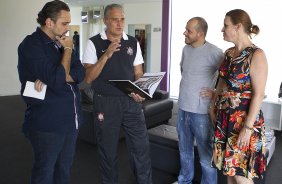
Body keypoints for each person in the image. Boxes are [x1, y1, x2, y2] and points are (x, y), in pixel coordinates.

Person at [82, 4, 152, 184]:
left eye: (122, 19)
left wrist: (140, 90)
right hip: (105, 103)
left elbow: (138, 73)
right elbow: (89, 78)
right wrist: (105, 56)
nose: (119, 23)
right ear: (105, 20)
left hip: (131, 102)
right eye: (114, 19)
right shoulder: (93, 43)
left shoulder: (133, 42)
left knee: (141, 147)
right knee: (108, 149)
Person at [17, 0, 85, 183]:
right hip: (47, 123)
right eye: (64, 23)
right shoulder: (31, 45)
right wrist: (68, 51)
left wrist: (59, 75)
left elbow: (80, 73)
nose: (68, 27)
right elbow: (56, 79)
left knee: (63, 170)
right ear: (49, 22)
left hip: (71, 120)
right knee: (45, 173)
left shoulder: (62, 42)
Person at [210, 9, 268, 184]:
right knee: (229, 171)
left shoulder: (256, 55)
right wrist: (212, 106)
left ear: (238, 27)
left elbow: (258, 95)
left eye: (225, 26)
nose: (222, 29)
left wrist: (247, 128)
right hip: (225, 118)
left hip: (244, 122)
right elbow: (221, 82)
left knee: (240, 175)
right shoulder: (228, 53)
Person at [176, 17, 224, 184]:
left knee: (205, 156)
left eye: (189, 30)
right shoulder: (186, 49)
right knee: (184, 151)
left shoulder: (215, 52)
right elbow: (184, 72)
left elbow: (228, 78)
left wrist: (216, 92)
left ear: (201, 34)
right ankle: (184, 180)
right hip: (182, 108)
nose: (185, 32)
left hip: (202, 112)